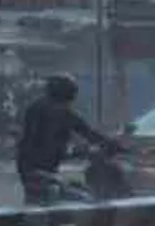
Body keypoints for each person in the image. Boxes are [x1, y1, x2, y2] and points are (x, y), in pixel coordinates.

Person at [16, 74, 117, 204]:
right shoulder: (61, 112)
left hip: (31, 169)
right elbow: (89, 133)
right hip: (40, 171)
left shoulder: (37, 107)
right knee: (87, 200)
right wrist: (111, 145)